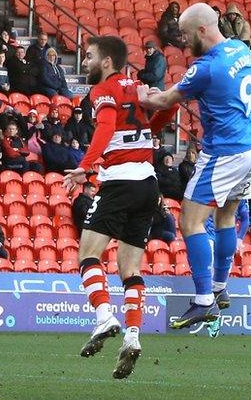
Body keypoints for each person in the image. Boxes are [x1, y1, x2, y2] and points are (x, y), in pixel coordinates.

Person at [140, 3, 251, 329]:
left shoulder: (205, 67)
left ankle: (202, 300)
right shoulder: (241, 48)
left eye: (184, 34)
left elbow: (165, 102)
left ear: (201, 31)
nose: (182, 41)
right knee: (226, 215)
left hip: (225, 152)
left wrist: (144, 95)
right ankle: (221, 287)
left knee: (191, 222)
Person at [62, 35, 175, 378]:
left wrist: (86, 165)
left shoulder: (102, 91)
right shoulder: (140, 86)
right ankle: (133, 335)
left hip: (120, 181)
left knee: (87, 255)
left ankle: (103, 317)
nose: (85, 62)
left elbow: (108, 124)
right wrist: (152, 108)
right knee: (130, 269)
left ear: (108, 61)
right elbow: (169, 108)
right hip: (148, 184)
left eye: (90, 56)